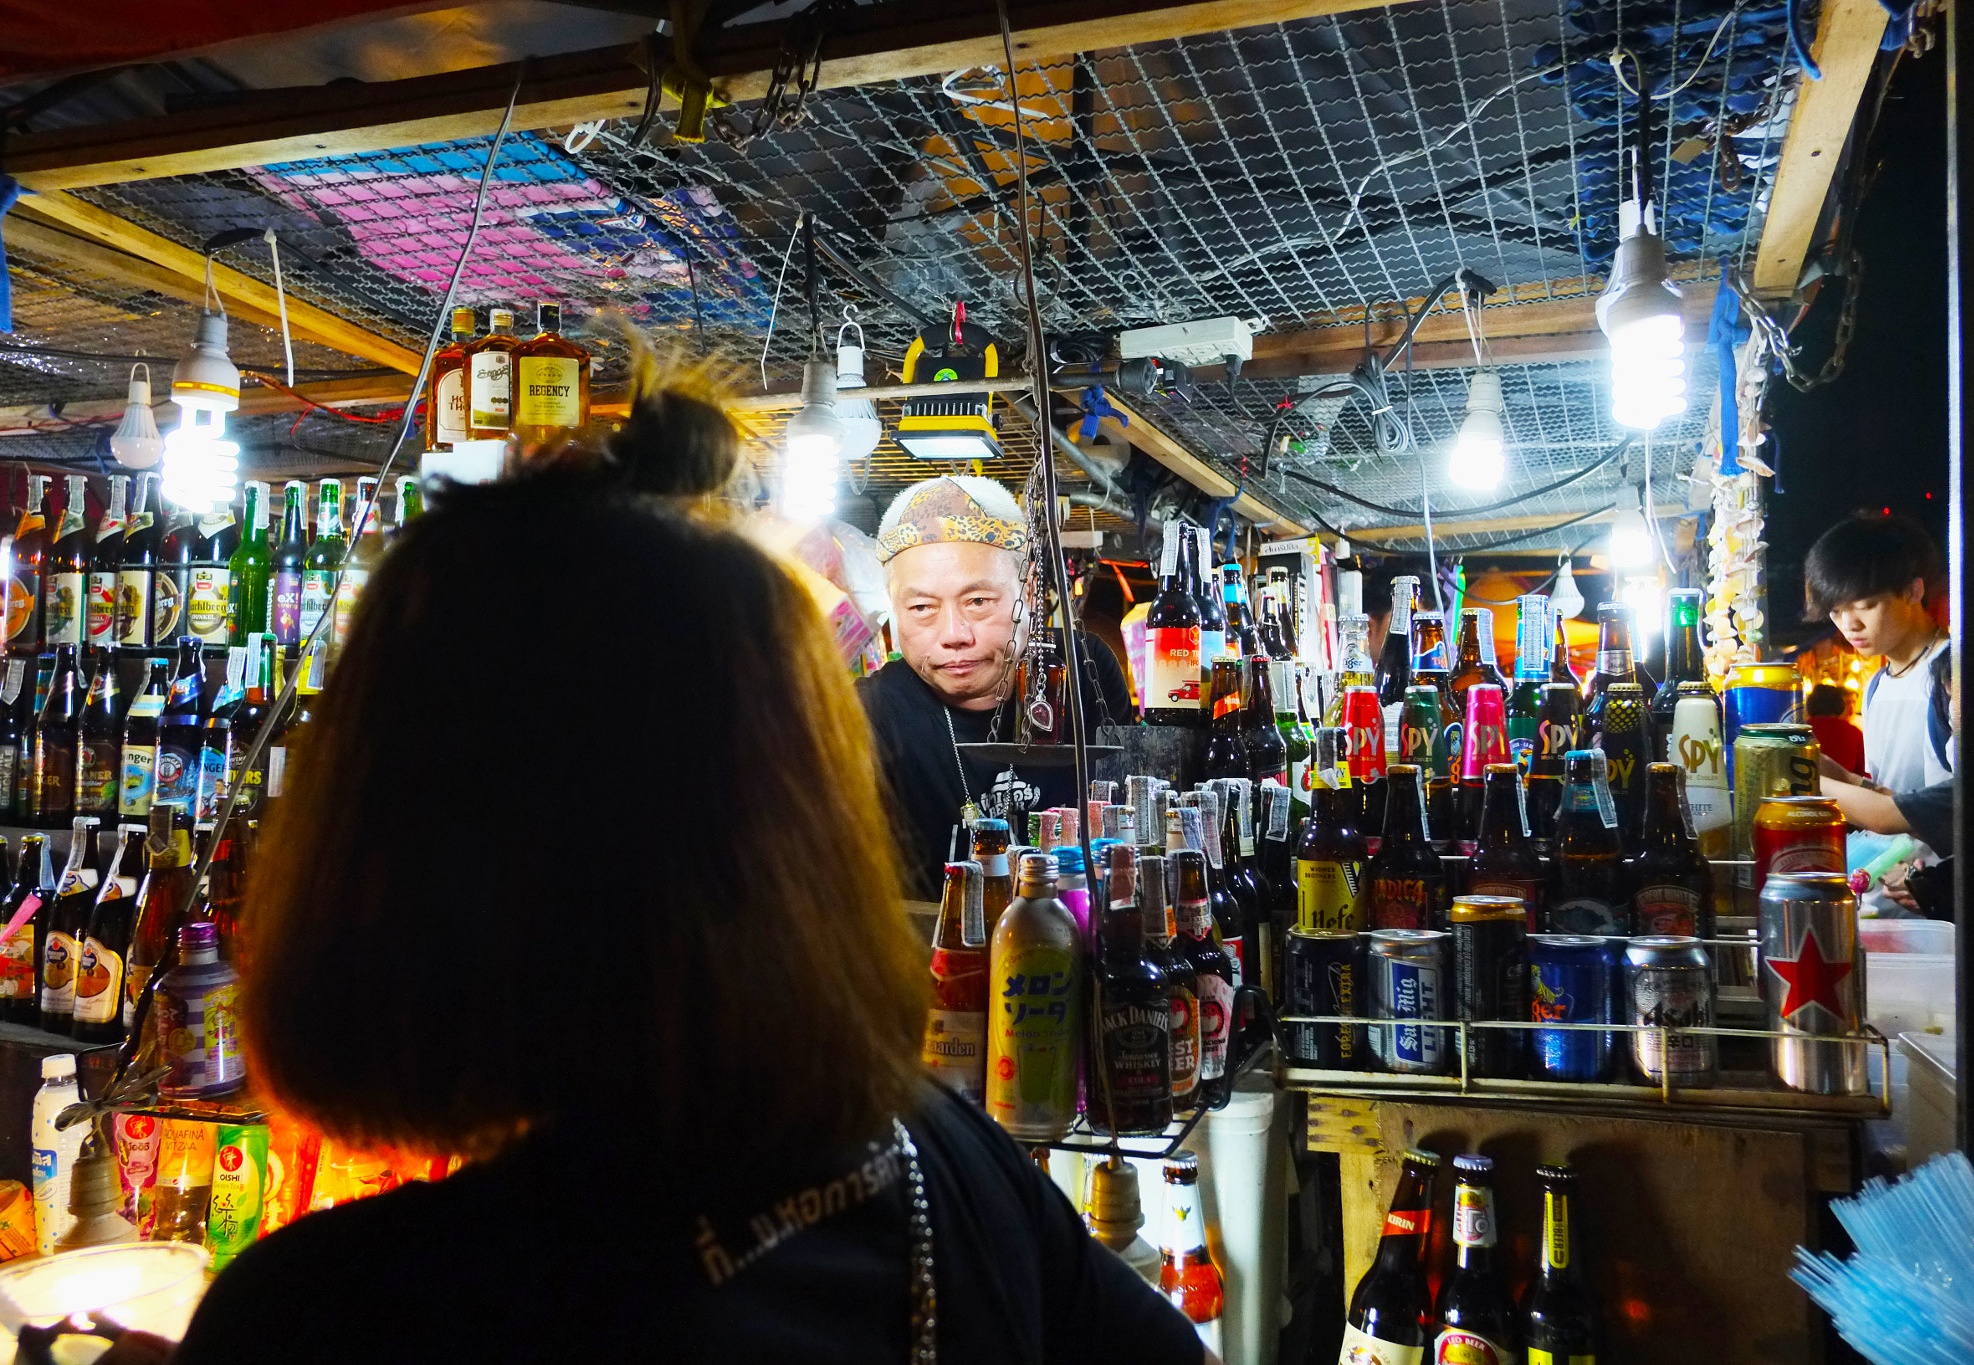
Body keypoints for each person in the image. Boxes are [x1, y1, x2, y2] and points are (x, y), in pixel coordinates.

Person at [168, 406, 1208, 1365]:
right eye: (924, 606)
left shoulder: (328, 1315)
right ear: (805, 833)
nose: (952, 632)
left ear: (382, 836)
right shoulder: (950, 1157)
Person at [859, 475, 1132, 897]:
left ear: (1026, 589)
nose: (954, 634)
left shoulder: (1083, 669)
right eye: (921, 608)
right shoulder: (870, 712)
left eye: (978, 602)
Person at [1805, 511, 1951, 914]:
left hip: (1943, 903)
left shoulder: (1950, 674)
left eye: (1865, 606)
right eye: (1836, 612)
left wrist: (1798, 774)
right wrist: (1840, 775)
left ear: (1913, 591)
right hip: (1887, 900)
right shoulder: (1877, 684)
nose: (1849, 624)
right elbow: (1890, 794)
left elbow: (1922, 810)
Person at [1804, 682, 1866, 776]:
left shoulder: (1802, 730)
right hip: (1844, 788)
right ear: (1839, 705)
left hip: (1809, 786)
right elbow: (1862, 772)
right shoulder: (1853, 732)